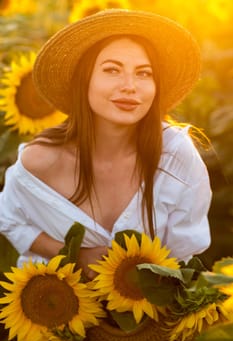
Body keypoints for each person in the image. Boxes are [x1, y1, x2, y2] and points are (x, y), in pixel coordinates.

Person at [0, 8, 212, 280]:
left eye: (144, 73)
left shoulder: (175, 155)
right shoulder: (40, 161)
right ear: (84, 79)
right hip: (54, 311)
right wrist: (73, 255)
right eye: (112, 70)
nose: (129, 86)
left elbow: (183, 257)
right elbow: (9, 218)